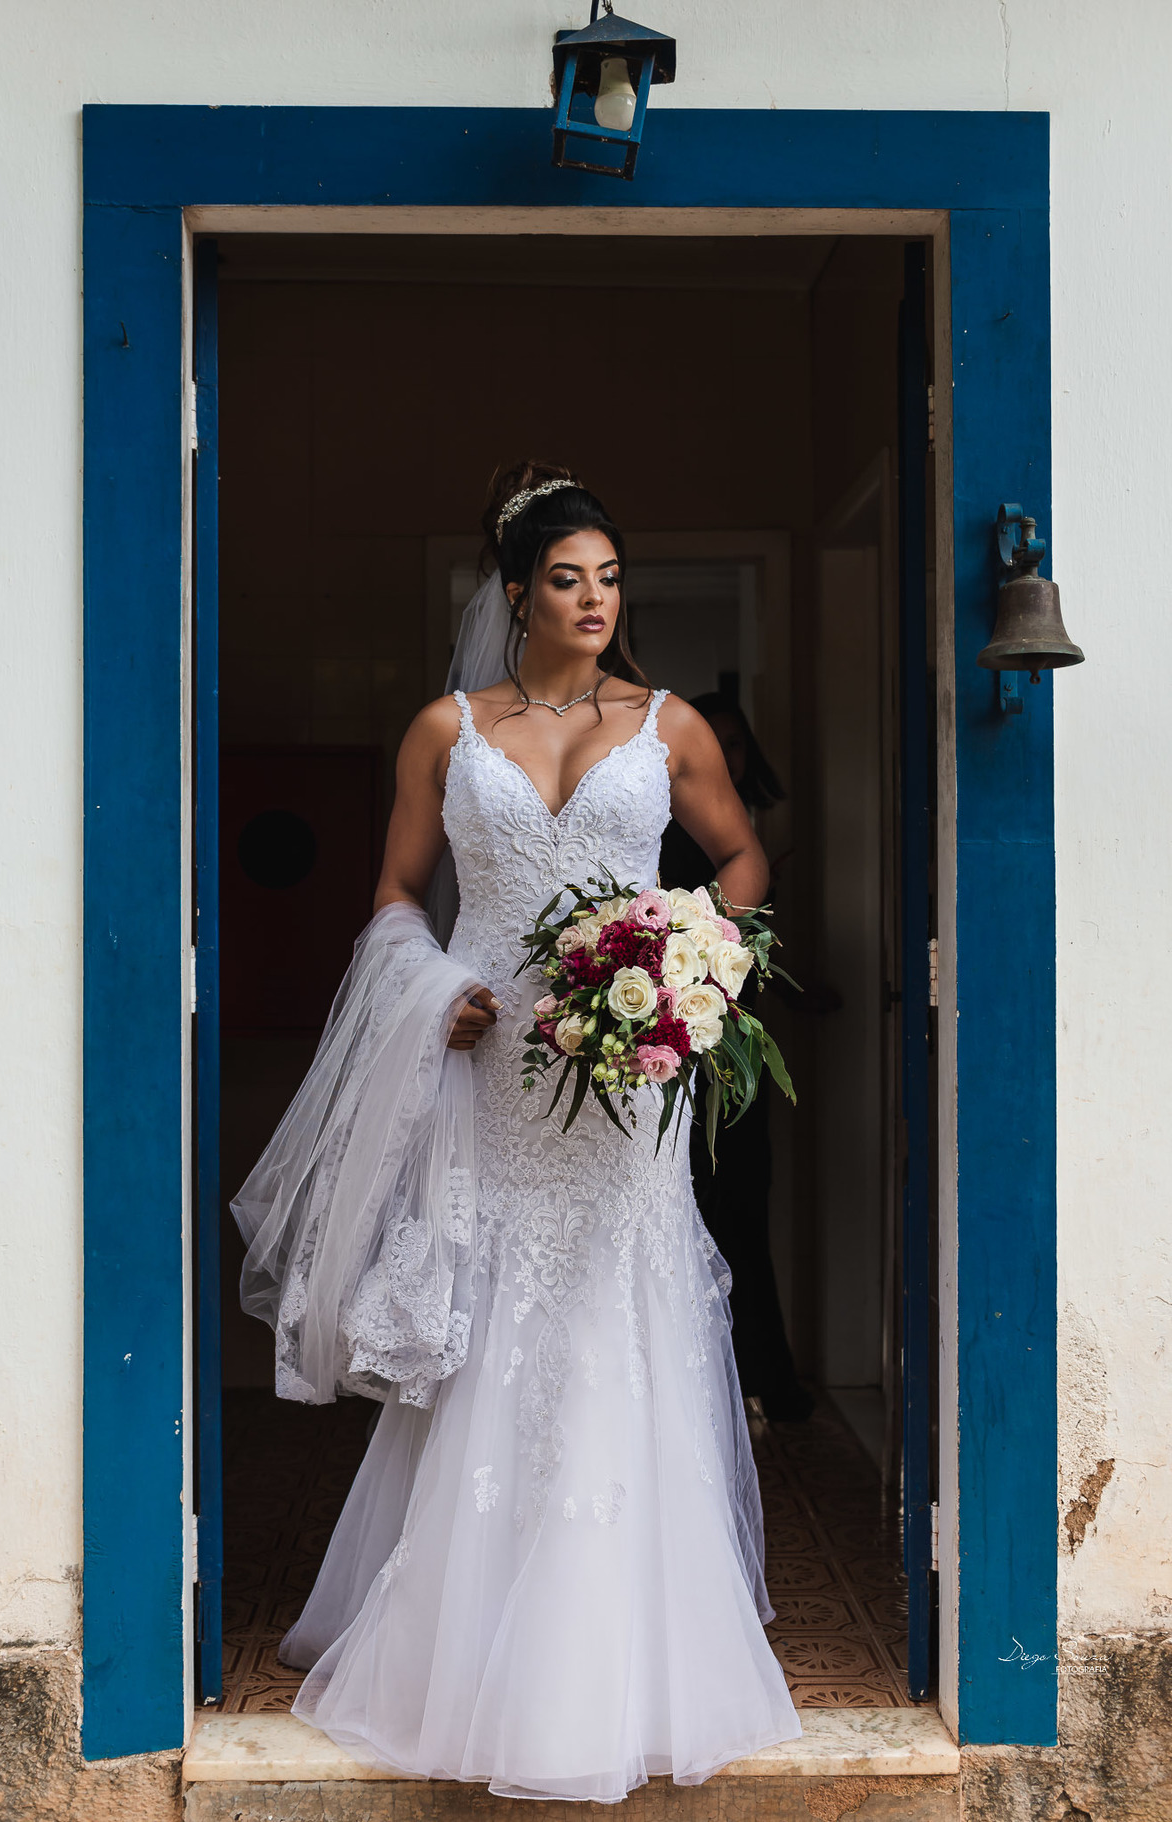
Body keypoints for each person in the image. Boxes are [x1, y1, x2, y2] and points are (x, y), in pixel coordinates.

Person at [231, 461, 801, 1802]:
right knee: (491, 1321)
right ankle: (465, 1635)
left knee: (615, 1314)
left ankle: (624, 1647)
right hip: (494, 1076)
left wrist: (689, 959)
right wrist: (438, 995)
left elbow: (744, 858)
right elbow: (392, 891)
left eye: (610, 577)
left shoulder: (672, 725)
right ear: (515, 592)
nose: (595, 599)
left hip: (626, 1080)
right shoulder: (445, 729)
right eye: (567, 578)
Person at [660, 697, 813, 1423]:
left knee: (743, 1212)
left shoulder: (751, 836)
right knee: (705, 1209)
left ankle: (761, 1377)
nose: (727, 753)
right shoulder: (673, 834)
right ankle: (724, 1384)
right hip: (684, 1045)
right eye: (714, 742)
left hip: (735, 1045)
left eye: (735, 743)